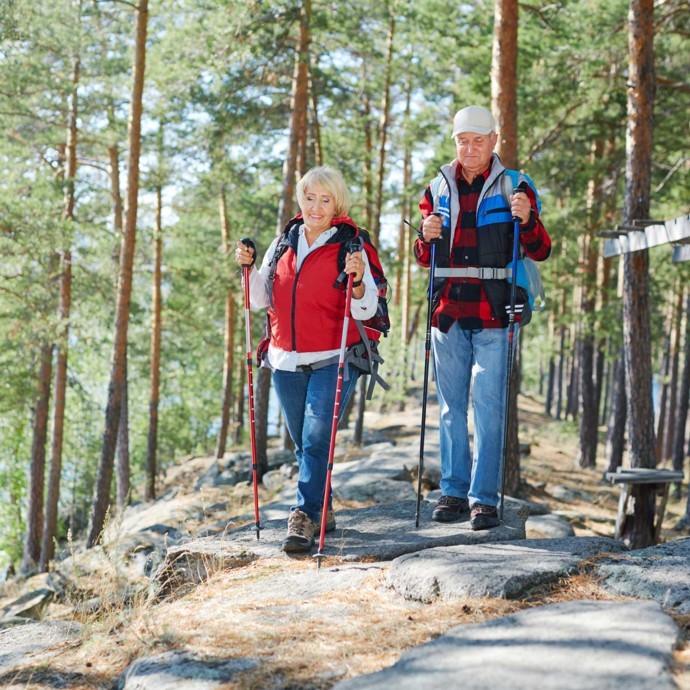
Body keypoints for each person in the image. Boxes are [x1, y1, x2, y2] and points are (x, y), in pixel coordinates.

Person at [415, 105, 551, 530]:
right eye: (462, 140)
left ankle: (484, 500)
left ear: (494, 141)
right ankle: (452, 493)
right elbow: (425, 257)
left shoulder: (516, 185)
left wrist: (527, 219)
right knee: (451, 409)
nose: (470, 148)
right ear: (455, 142)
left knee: (488, 407)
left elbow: (541, 249)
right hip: (448, 312)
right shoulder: (436, 188)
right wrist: (425, 237)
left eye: (478, 140)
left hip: (495, 311)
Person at [235, 166, 381, 553]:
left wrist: (361, 279)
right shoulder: (285, 240)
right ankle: (323, 508)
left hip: (334, 357)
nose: (316, 206)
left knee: (317, 439)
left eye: (325, 199)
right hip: (285, 360)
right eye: (310, 197)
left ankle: (302, 517)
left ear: (337, 203)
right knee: (303, 444)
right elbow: (259, 299)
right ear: (301, 199)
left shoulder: (353, 244)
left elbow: (369, 309)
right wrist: (248, 270)